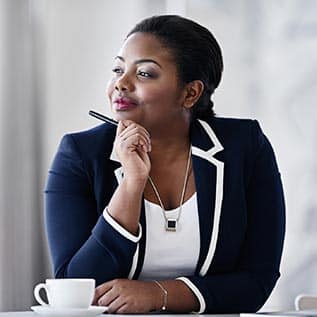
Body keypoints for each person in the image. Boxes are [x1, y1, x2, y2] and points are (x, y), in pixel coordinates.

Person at [44, 15, 285, 314]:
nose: (121, 83)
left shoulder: (245, 148)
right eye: (118, 69)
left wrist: (158, 294)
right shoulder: (79, 154)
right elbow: (74, 285)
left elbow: (257, 280)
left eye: (144, 73)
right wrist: (132, 185)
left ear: (190, 93)